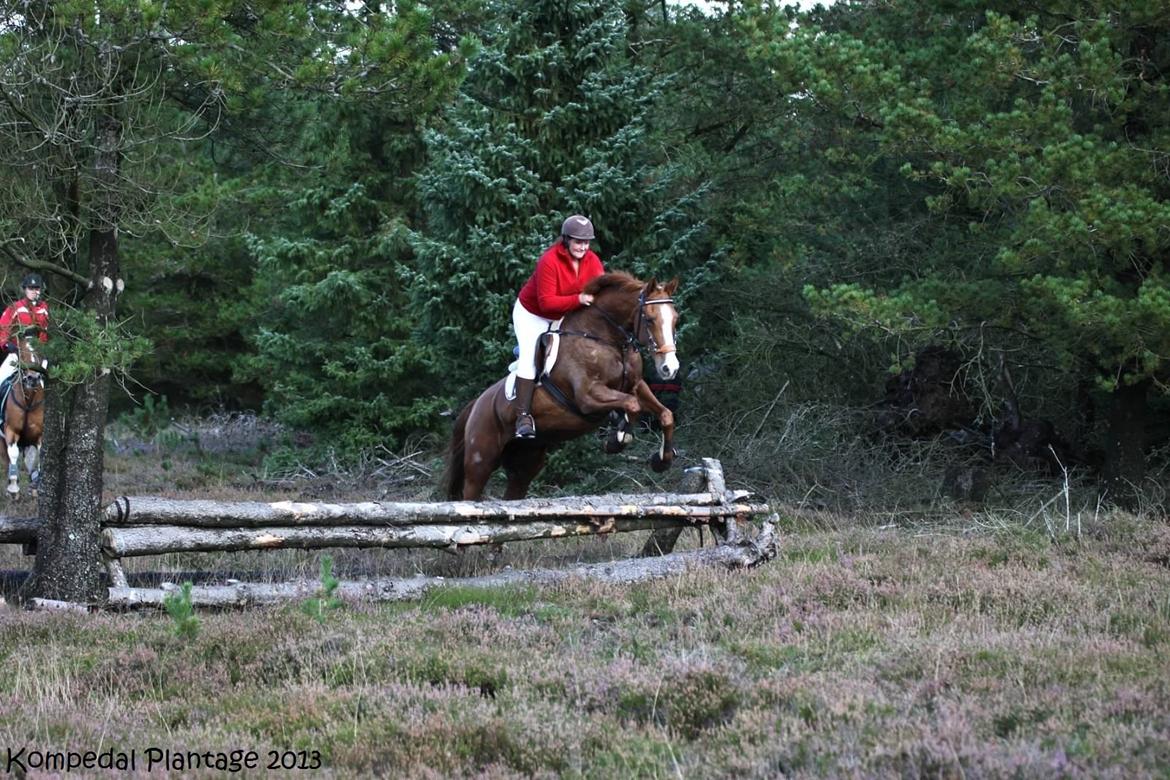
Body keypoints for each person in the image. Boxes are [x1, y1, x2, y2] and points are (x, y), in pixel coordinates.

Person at [511, 215, 605, 438]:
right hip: (532, 314)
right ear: (566, 240)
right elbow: (546, 302)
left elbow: (601, 289)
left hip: (563, 315)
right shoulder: (549, 260)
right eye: (577, 241)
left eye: (586, 242)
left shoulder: (593, 261)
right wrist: (579, 300)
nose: (583, 247)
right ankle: (523, 417)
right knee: (528, 360)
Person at [0, 273, 49, 386]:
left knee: (41, 385)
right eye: (30, 288)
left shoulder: (44, 308)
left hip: (38, 352)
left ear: (41, 290)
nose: (33, 291)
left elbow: (44, 332)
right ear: (25, 289)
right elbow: (2, 328)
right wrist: (6, 344)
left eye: (37, 288)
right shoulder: (15, 307)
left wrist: (43, 348)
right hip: (17, 351)